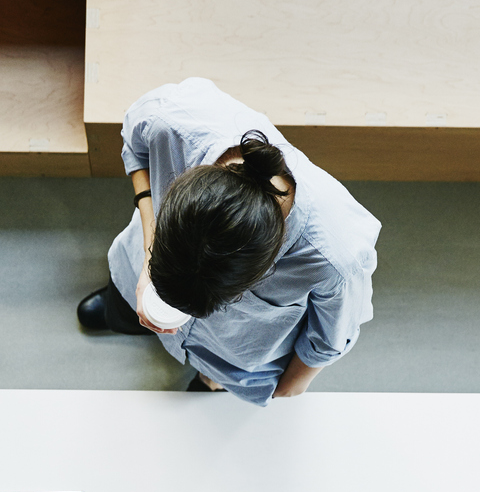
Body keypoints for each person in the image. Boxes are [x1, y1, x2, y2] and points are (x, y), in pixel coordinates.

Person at [75, 78, 380, 405]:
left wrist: (288, 385)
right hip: (139, 262)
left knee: (219, 369)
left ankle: (211, 378)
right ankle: (123, 305)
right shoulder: (173, 120)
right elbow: (135, 141)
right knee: (125, 308)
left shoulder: (337, 257)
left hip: (233, 348)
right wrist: (150, 252)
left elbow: (329, 339)